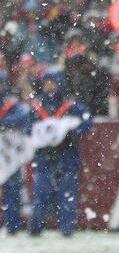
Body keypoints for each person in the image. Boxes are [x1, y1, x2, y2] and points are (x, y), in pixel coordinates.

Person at [29, 69, 93, 236]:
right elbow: (28, 126)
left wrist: (73, 132)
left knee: (67, 195)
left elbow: (87, 121)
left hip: (67, 154)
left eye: (52, 82)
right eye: (46, 83)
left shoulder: (71, 105)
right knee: (41, 193)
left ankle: (66, 229)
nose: (49, 86)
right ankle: (36, 227)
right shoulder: (37, 105)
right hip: (44, 156)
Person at [0, 69, 32, 234]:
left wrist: (4, 122)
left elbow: (24, 117)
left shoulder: (11, 103)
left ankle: (13, 225)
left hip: (8, 153)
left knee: (12, 189)